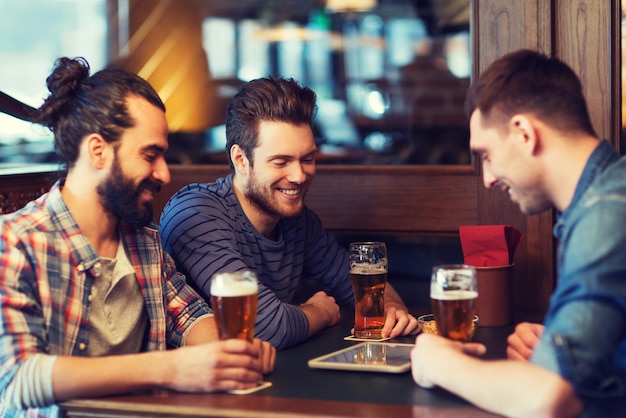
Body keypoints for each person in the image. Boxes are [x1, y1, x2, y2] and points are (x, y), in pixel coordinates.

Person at [0, 57, 275, 418]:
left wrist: (230, 354)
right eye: (150, 155)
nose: (162, 173)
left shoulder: (144, 242)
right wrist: (174, 368)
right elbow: (17, 378)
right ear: (98, 151)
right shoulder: (16, 243)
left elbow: (190, 317)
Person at [410, 49, 626, 417]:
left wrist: (440, 364)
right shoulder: (608, 193)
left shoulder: (605, 215)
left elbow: (550, 400)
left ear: (524, 133)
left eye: (487, 155)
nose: (488, 178)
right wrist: (564, 348)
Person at [159, 77, 419, 350]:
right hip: (201, 384)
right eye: (281, 162)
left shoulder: (298, 220)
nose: (298, 176)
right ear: (240, 159)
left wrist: (391, 310)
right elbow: (266, 329)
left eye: (307, 159)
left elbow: (358, 287)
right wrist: (320, 311)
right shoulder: (195, 214)